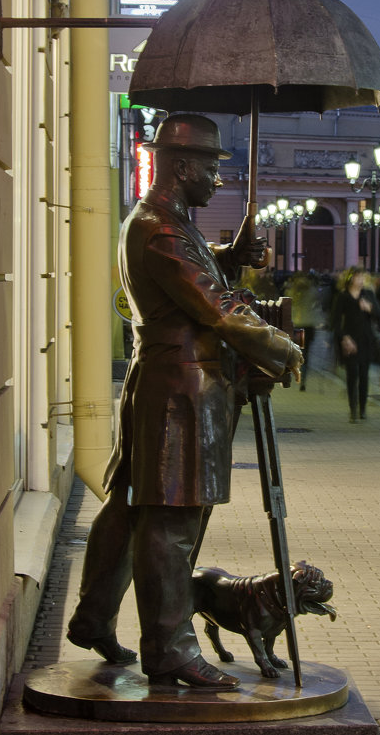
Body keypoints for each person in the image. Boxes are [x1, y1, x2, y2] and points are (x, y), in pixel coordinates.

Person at [66, 114, 303, 689]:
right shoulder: (164, 229)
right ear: (181, 166)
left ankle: (93, 617)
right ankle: (169, 648)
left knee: (129, 507)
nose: (219, 180)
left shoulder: (160, 222)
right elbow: (216, 309)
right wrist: (284, 349)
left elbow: (191, 275)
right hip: (182, 390)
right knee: (172, 518)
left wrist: (226, 252)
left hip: (161, 382)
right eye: (212, 168)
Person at [331, 267, 380, 422]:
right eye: (359, 277)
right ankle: (353, 410)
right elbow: (335, 321)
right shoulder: (343, 296)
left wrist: (370, 308)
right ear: (351, 278)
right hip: (350, 340)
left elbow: (379, 315)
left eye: (363, 277)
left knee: (364, 376)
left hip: (366, 340)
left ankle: (362, 410)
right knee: (352, 376)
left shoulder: (368, 294)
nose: (361, 280)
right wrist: (344, 338)